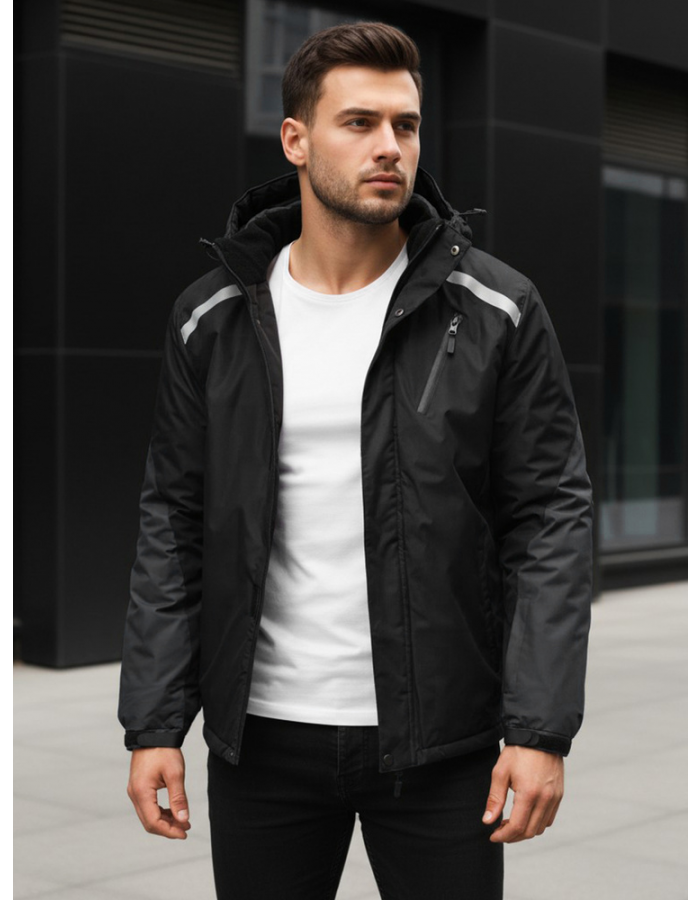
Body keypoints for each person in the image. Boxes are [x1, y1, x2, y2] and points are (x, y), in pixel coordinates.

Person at [118, 21, 593, 900]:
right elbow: (173, 524)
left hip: (440, 742)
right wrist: (153, 723)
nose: (389, 147)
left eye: (405, 125)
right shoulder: (213, 317)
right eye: (360, 122)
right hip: (262, 741)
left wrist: (538, 730)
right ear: (295, 139)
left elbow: (550, 523)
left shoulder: (496, 309)